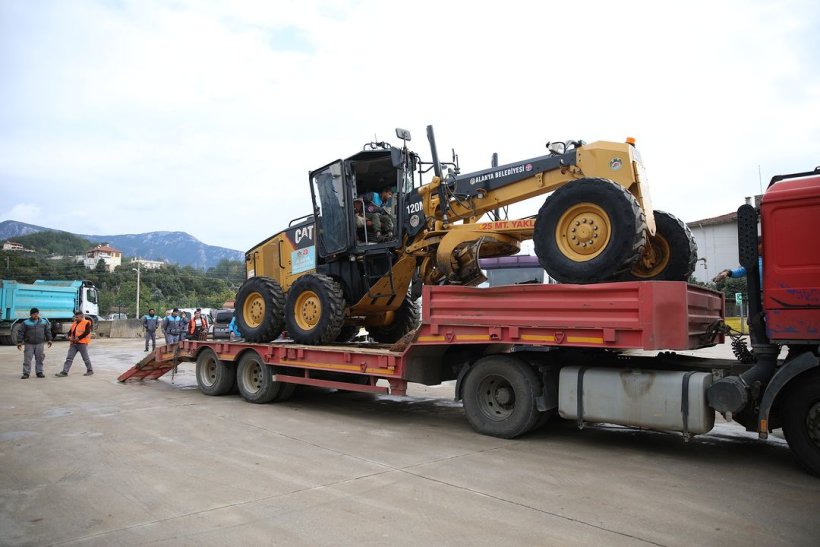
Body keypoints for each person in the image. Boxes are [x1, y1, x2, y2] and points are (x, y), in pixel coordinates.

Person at [16, 307, 53, 379]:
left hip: (40, 343)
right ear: (30, 315)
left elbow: (47, 331)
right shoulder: (26, 323)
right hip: (29, 344)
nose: (35, 315)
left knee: (40, 358)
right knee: (27, 359)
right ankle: (26, 373)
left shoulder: (44, 322)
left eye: (37, 313)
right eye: (33, 314)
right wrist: (19, 342)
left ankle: (39, 372)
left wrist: (49, 339)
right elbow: (21, 332)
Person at [55, 311, 93, 377]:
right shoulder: (74, 323)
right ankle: (64, 372)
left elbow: (87, 332)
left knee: (85, 358)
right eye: (75, 317)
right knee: (69, 358)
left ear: (82, 317)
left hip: (82, 343)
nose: (75, 318)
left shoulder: (87, 322)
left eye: (77, 317)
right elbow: (70, 332)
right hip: (74, 343)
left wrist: (78, 338)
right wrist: (68, 336)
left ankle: (90, 370)